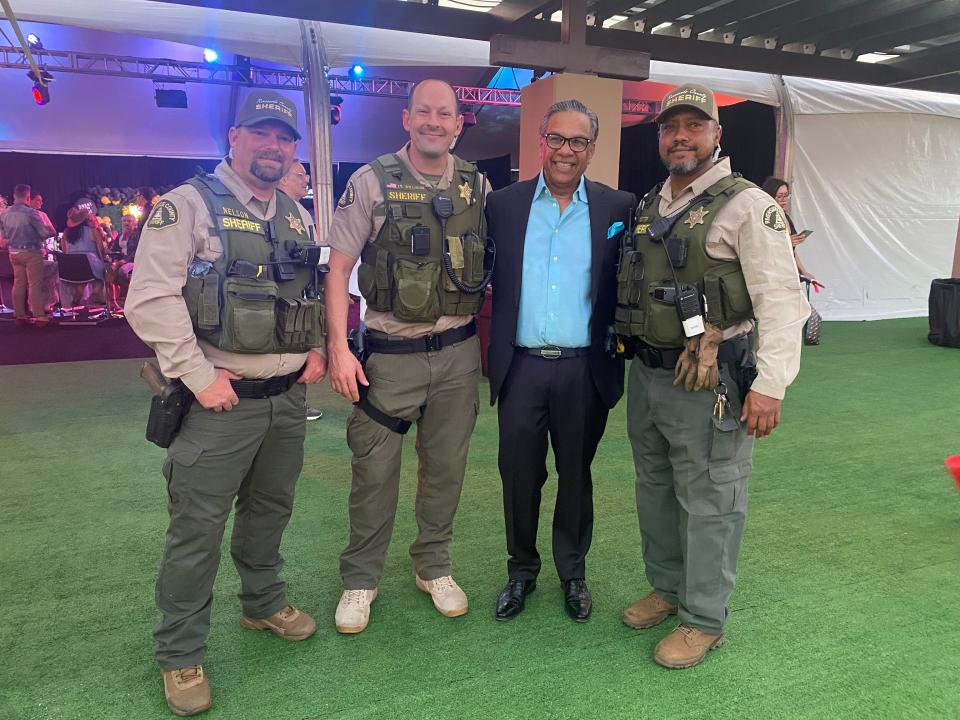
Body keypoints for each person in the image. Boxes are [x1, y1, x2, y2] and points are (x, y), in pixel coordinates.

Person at [125, 90, 326, 717]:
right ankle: (180, 653)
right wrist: (196, 375)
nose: (273, 146)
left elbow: (309, 288)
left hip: (285, 400)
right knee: (196, 530)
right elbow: (150, 300)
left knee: (270, 512)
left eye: (283, 138)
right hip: (219, 402)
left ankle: (263, 604)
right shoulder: (185, 206)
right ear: (233, 137)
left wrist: (316, 346)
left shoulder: (295, 212)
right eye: (260, 134)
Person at [615, 83, 810, 668]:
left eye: (694, 126)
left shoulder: (748, 205)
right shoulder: (654, 202)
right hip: (650, 373)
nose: (681, 136)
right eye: (671, 127)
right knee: (655, 489)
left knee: (710, 499)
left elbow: (780, 298)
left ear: (716, 135)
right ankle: (669, 589)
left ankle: (704, 618)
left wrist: (771, 384)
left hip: (712, 380)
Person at [325, 78, 491, 634]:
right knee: (375, 472)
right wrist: (336, 348)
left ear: (458, 123)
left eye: (445, 114)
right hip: (389, 356)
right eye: (425, 112)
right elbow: (339, 269)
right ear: (407, 118)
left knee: (445, 471)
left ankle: (433, 566)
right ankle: (360, 579)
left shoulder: (477, 184)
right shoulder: (370, 181)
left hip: (458, 354)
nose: (435, 122)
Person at [485, 100, 635, 623]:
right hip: (520, 366)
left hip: (584, 367)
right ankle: (521, 571)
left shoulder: (619, 207)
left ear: (591, 149)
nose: (565, 151)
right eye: (557, 139)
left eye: (577, 142)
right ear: (540, 142)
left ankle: (573, 573)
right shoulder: (502, 205)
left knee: (576, 474)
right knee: (518, 475)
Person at [279, 160, 323, 421]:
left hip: (301, 293)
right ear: (283, 179)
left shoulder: (302, 212)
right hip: (280, 294)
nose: (306, 180)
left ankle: (298, 402)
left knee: (298, 343)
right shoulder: (273, 210)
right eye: (300, 175)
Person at [0, 184, 55, 326]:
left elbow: (3, 239)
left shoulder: (5, 213)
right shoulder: (31, 213)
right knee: (34, 284)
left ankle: (20, 316)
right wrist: (50, 230)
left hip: (13, 253)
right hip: (31, 252)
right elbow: (44, 233)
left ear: (14, 196)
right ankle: (39, 317)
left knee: (19, 283)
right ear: (27, 197)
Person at [761, 177, 816, 279]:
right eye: (780, 196)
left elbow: (792, 251)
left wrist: (804, 272)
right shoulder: (765, 220)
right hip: (772, 272)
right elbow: (763, 248)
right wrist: (786, 242)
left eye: (786, 195)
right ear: (769, 197)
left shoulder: (785, 217)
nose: (784, 200)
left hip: (787, 271)